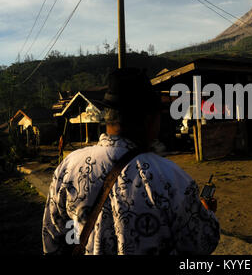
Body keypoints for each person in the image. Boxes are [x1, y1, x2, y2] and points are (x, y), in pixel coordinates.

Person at [42, 68, 220, 255]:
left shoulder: (69, 167)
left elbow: (53, 239)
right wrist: (205, 213)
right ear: (148, 119)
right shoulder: (171, 179)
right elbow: (202, 243)